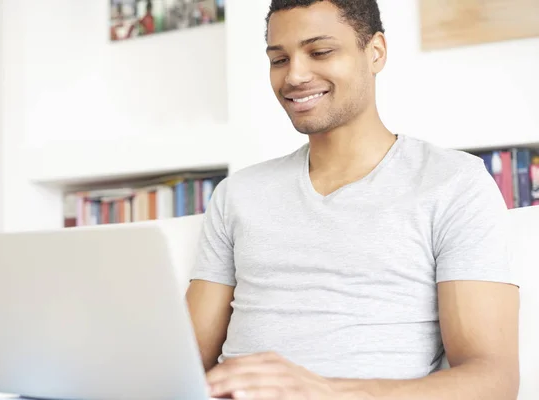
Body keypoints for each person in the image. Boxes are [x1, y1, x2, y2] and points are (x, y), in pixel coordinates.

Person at [185, 1, 520, 399]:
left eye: (320, 52)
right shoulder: (237, 194)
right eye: (279, 59)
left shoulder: (452, 183)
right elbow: (184, 359)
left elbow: (492, 381)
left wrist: (323, 391)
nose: (295, 75)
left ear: (375, 51)